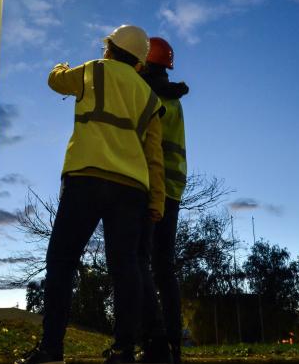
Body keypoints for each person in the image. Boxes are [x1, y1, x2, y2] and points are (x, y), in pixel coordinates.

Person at [16, 25, 166, 364]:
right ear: (140, 62)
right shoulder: (149, 97)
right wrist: (156, 201)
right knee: (125, 267)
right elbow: (154, 157)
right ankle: (124, 350)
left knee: (62, 261)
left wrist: (60, 65)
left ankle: (52, 348)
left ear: (109, 48)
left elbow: (57, 82)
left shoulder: (94, 70)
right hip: (132, 189)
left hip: (86, 177)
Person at [138, 37, 188, 364]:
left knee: (139, 262)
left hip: (149, 187)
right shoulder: (174, 99)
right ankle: (174, 343)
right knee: (164, 267)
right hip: (174, 189)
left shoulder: (147, 95)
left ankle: (151, 341)